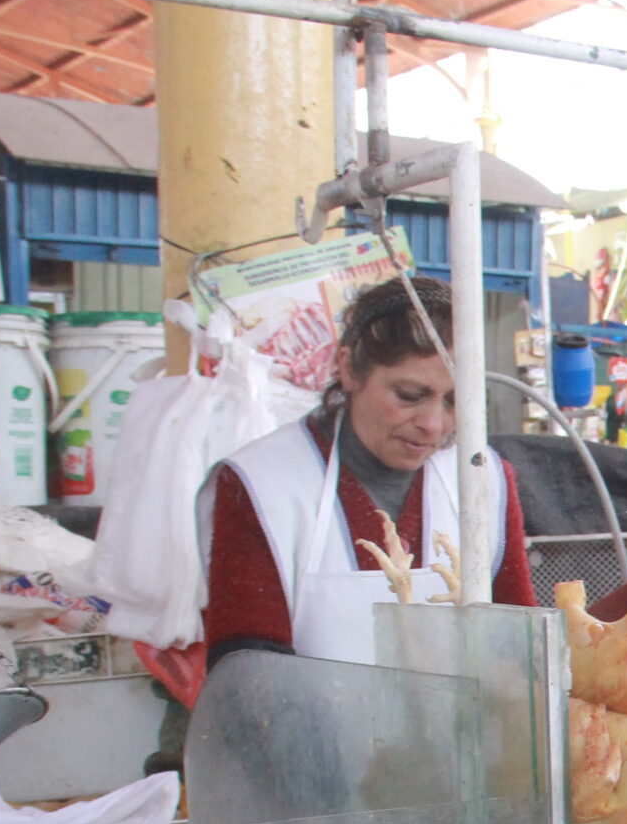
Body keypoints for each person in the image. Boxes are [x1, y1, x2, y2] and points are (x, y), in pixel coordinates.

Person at [200, 276, 531, 667]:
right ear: (349, 369)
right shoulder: (261, 483)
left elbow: (519, 643)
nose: (433, 424)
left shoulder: (481, 479)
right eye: (409, 395)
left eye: (456, 401)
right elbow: (245, 668)